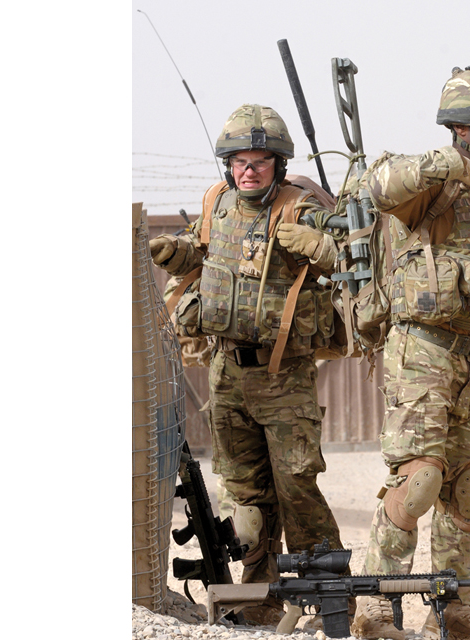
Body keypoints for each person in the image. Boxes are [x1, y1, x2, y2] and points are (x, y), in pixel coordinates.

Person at [148, 103, 350, 626]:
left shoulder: (298, 207)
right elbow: (205, 255)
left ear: (279, 166)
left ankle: (330, 596)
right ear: (228, 166)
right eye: (240, 161)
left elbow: (354, 251)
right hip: (227, 372)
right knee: (246, 497)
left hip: (284, 376)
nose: (249, 171)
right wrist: (178, 254)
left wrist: (323, 245)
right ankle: (260, 597)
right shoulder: (216, 203)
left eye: (261, 161)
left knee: (297, 487)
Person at [350, 66, 470, 640]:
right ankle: (376, 606)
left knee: (466, 485)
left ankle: (453, 607)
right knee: (420, 479)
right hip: (422, 347)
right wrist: (439, 164)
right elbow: (375, 186)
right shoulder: (430, 182)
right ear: (464, 129)